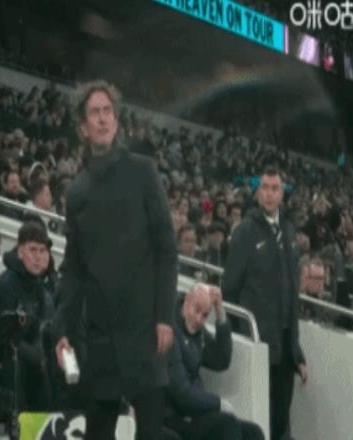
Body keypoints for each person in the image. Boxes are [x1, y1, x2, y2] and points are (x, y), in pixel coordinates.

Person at [52, 80, 178, 440]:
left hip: (145, 329)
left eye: (108, 111)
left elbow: (166, 248)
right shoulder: (77, 192)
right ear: (83, 127)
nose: (103, 118)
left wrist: (164, 316)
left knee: (150, 433)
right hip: (101, 335)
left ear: (117, 120)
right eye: (95, 113)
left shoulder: (143, 171)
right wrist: (62, 330)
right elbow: (73, 270)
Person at [223, 167, 307, 440]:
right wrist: (241, 337)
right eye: (265, 188)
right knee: (259, 421)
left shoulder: (289, 231)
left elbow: (292, 294)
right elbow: (229, 288)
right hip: (258, 343)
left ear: (282, 194)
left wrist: (297, 352)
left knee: (280, 420)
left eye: (275, 188)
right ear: (258, 192)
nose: (269, 194)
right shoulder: (245, 231)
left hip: (284, 347)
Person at [165, 283, 264, 440]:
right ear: (187, 300)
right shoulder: (170, 332)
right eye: (196, 310)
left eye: (205, 315)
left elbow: (221, 359)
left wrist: (220, 312)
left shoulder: (198, 332)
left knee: (254, 432)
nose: (199, 319)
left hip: (196, 412)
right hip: (176, 415)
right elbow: (181, 394)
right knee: (227, 424)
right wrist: (218, 403)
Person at [0, 221, 54, 410]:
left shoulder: (38, 285)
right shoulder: (5, 286)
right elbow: (4, 339)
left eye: (42, 251)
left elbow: (42, 329)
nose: (38, 257)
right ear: (20, 252)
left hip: (31, 359)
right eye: (32, 250)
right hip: (3, 360)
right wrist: (38, 356)